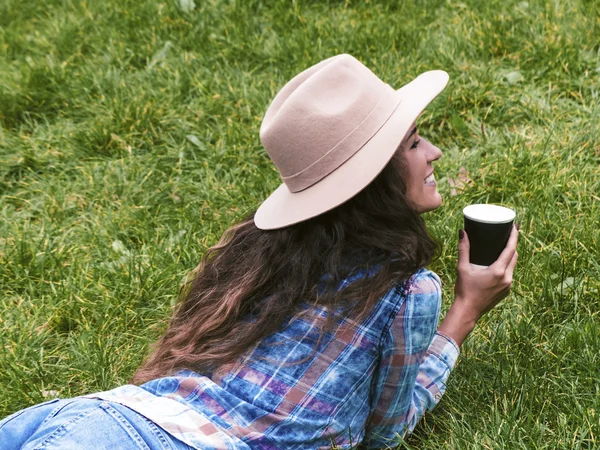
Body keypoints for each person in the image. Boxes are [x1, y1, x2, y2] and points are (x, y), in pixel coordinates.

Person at [0, 54, 518, 450]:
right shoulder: (409, 290)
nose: (434, 152)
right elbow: (385, 432)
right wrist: (464, 313)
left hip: (102, 417)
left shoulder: (263, 248)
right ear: (375, 178)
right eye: (413, 143)